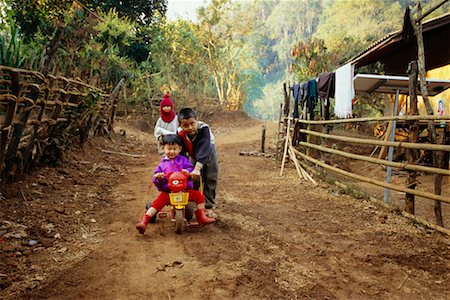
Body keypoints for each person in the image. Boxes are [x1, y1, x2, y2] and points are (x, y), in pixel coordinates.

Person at [136, 134, 215, 234]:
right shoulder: (162, 164)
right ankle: (144, 221)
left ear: (180, 149)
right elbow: (156, 176)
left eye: (174, 149)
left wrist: (188, 172)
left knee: (199, 196)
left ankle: (202, 216)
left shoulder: (183, 160)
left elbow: (190, 168)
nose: (172, 151)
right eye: (169, 149)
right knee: (156, 205)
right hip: (169, 192)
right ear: (163, 148)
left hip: (184, 191)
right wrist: (159, 177)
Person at [177, 108, 219, 209]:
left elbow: (204, 147)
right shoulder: (180, 133)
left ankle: (208, 204)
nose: (190, 127)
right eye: (185, 125)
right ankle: (192, 200)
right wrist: (182, 167)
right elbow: (181, 151)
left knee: (210, 177)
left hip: (209, 152)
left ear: (197, 120)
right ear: (180, 125)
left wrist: (197, 168)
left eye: (192, 123)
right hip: (193, 154)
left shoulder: (204, 128)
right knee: (192, 177)